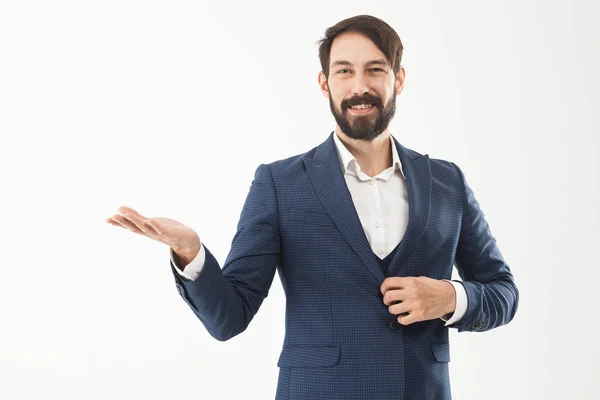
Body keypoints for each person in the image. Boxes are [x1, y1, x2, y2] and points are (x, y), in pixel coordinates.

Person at [106, 14, 519, 400]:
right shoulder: (280, 184)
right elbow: (228, 318)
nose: (360, 86)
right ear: (325, 83)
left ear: (399, 79)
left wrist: (449, 296)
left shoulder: (447, 182)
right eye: (344, 71)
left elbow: (504, 292)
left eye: (375, 69)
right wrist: (191, 252)